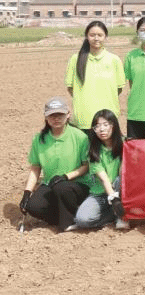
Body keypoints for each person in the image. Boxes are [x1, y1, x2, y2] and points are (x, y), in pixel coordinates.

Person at [20, 98, 90, 232]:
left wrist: (66, 176)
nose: (56, 118)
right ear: (46, 117)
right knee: (33, 207)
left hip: (77, 184)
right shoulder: (39, 139)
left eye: (60, 114)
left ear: (68, 115)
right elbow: (35, 168)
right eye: (52, 115)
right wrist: (27, 193)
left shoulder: (80, 137)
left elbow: (86, 166)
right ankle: (63, 217)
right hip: (50, 183)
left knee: (62, 188)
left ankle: (69, 221)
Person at [74, 109, 128, 230]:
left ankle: (122, 216)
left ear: (113, 125)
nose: (101, 129)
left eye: (105, 125)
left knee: (119, 180)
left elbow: (124, 172)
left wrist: (117, 197)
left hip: (121, 189)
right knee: (82, 220)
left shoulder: (125, 143)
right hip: (101, 192)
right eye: (97, 126)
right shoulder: (93, 150)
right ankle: (113, 214)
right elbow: (103, 178)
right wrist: (113, 199)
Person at [65, 20, 125, 127]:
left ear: (105, 37)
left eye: (100, 35)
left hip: (107, 120)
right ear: (86, 36)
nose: (96, 38)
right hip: (83, 119)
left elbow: (119, 89)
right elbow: (70, 88)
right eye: (92, 35)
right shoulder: (75, 59)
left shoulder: (114, 60)